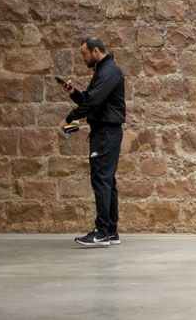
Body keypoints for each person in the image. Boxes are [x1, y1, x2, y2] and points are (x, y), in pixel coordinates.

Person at [60, 38, 126, 247]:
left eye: (84, 53)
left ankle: (102, 232)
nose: (83, 58)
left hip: (106, 133)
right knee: (107, 181)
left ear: (96, 51)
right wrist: (74, 93)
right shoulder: (103, 71)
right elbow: (90, 100)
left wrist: (70, 118)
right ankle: (111, 232)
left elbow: (93, 102)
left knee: (101, 180)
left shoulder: (109, 72)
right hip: (105, 132)